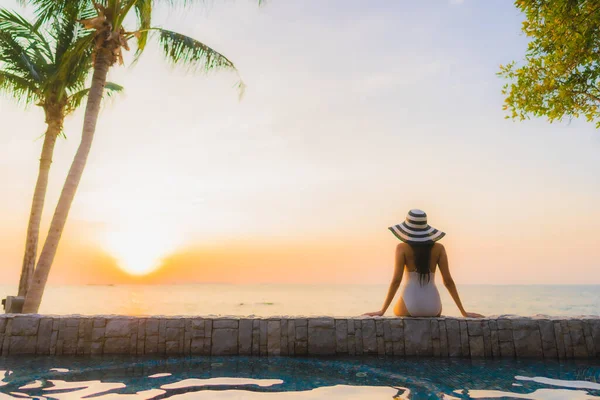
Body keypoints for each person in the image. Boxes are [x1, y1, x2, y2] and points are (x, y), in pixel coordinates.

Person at [364, 209, 483, 318]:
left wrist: (382, 311)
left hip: (411, 304)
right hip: (433, 307)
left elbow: (396, 281)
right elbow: (448, 281)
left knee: (396, 310)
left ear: (407, 229)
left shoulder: (402, 248)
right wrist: (463, 312)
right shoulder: (439, 248)